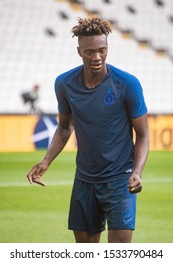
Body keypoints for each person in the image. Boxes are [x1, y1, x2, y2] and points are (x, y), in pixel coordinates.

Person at [27, 16, 149, 243]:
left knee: (120, 251)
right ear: (79, 51)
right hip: (84, 179)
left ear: (107, 48)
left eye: (102, 50)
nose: (97, 57)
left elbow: (143, 135)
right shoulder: (64, 83)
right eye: (90, 52)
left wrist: (137, 172)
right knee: (85, 251)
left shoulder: (127, 84)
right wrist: (46, 161)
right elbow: (65, 128)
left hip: (120, 179)